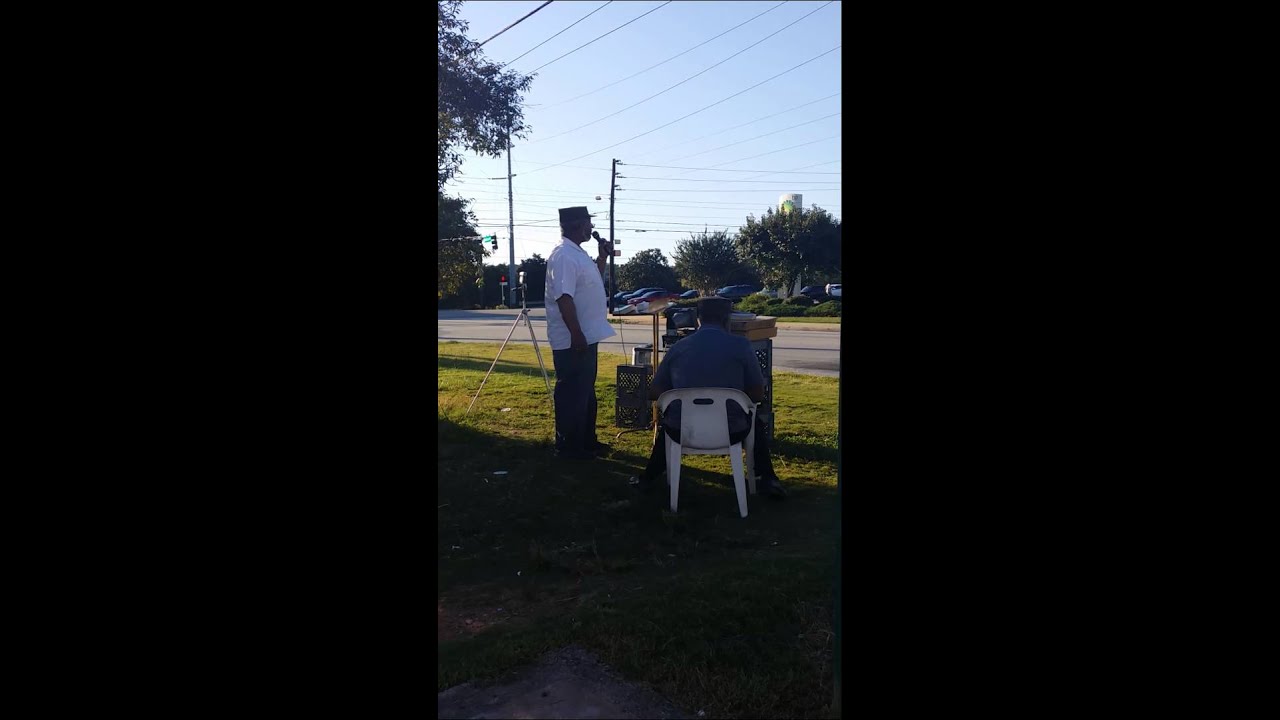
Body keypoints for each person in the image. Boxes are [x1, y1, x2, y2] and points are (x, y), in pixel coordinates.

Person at [631, 296, 787, 498]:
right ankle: (767, 478)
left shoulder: (678, 348)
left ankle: (648, 478)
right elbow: (757, 394)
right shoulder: (741, 346)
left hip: (681, 431)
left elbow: (654, 392)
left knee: (671, 417)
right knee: (753, 418)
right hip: (733, 430)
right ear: (727, 319)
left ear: (698, 319)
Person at [545, 206, 616, 460]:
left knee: (585, 391)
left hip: (586, 335)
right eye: (588, 223)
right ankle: (569, 448)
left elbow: (591, 283)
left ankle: (587, 442)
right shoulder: (564, 255)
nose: (591, 228)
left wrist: (602, 257)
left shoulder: (578, 254)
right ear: (576, 224)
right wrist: (576, 333)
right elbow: (564, 297)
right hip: (572, 339)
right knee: (572, 393)